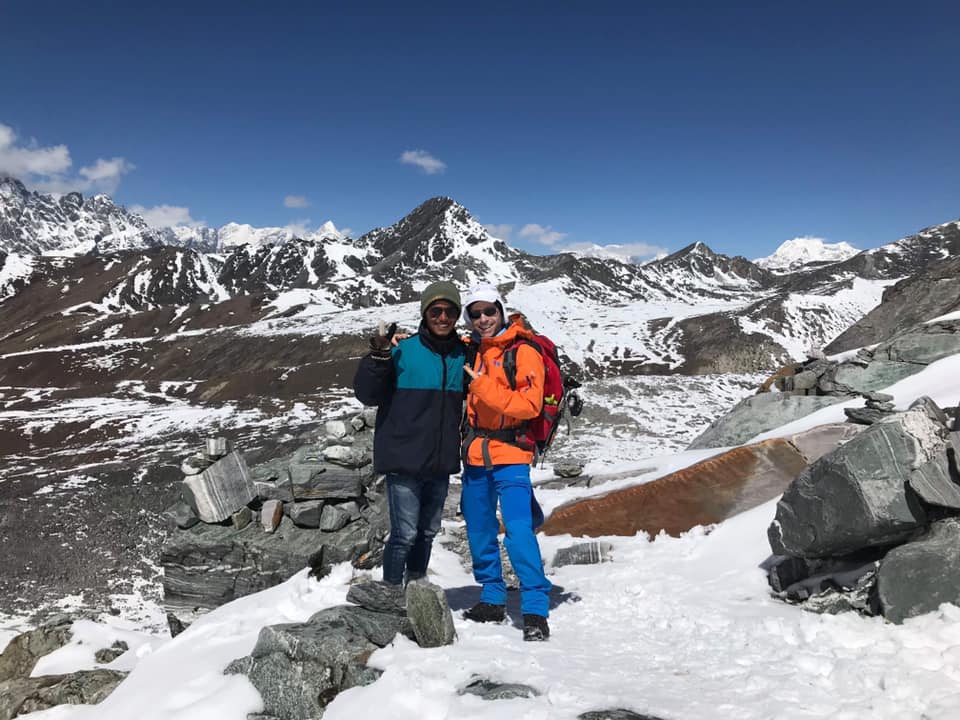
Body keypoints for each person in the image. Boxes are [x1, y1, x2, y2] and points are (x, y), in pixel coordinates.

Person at [353, 281, 466, 587]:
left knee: (428, 532)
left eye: (450, 311)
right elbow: (367, 393)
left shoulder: (462, 355)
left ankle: (416, 587)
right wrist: (378, 355)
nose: (443, 317)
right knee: (405, 534)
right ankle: (390, 593)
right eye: (436, 310)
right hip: (404, 459)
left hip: (440, 461)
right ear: (425, 313)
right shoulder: (403, 350)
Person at [459, 284, 553, 641]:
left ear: (500, 310)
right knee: (479, 526)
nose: (483, 319)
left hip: (512, 453)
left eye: (489, 311)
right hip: (476, 454)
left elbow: (528, 406)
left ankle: (535, 610)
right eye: (476, 313)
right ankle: (493, 597)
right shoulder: (473, 350)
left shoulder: (523, 351)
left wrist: (482, 387)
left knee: (517, 530)